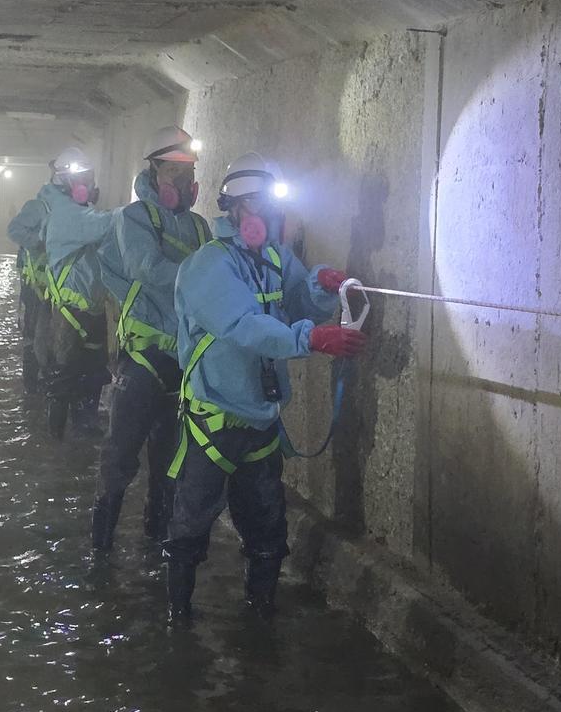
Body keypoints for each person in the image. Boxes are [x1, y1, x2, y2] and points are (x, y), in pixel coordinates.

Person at [163, 153, 367, 623]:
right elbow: (243, 326)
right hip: (212, 421)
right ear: (239, 211)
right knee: (191, 528)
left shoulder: (274, 257)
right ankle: (179, 619)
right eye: (266, 210)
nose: (277, 221)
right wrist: (310, 339)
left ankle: (260, 616)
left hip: (259, 421)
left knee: (268, 533)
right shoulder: (207, 266)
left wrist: (321, 288)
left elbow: (299, 303)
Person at [92, 127, 211, 558]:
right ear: (155, 171)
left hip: (183, 364)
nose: (183, 181)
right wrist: (203, 276)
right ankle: (100, 554)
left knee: (168, 466)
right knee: (120, 460)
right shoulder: (134, 218)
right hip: (143, 363)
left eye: (189, 171)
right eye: (174, 170)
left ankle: (155, 548)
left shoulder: (200, 227)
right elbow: (147, 269)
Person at [37, 147, 116, 439]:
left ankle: (82, 434)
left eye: (88, 176)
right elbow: (106, 225)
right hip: (69, 315)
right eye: (80, 177)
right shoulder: (66, 215)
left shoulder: (81, 213)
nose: (87, 182)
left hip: (90, 311)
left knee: (93, 374)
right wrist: (136, 212)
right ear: (63, 182)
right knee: (64, 375)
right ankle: (56, 440)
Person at [6, 185, 50, 394]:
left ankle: (43, 380)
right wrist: (43, 243)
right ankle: (32, 385)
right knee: (33, 334)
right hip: (35, 287)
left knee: (48, 335)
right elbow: (14, 230)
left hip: (56, 288)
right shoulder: (39, 207)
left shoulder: (74, 211)